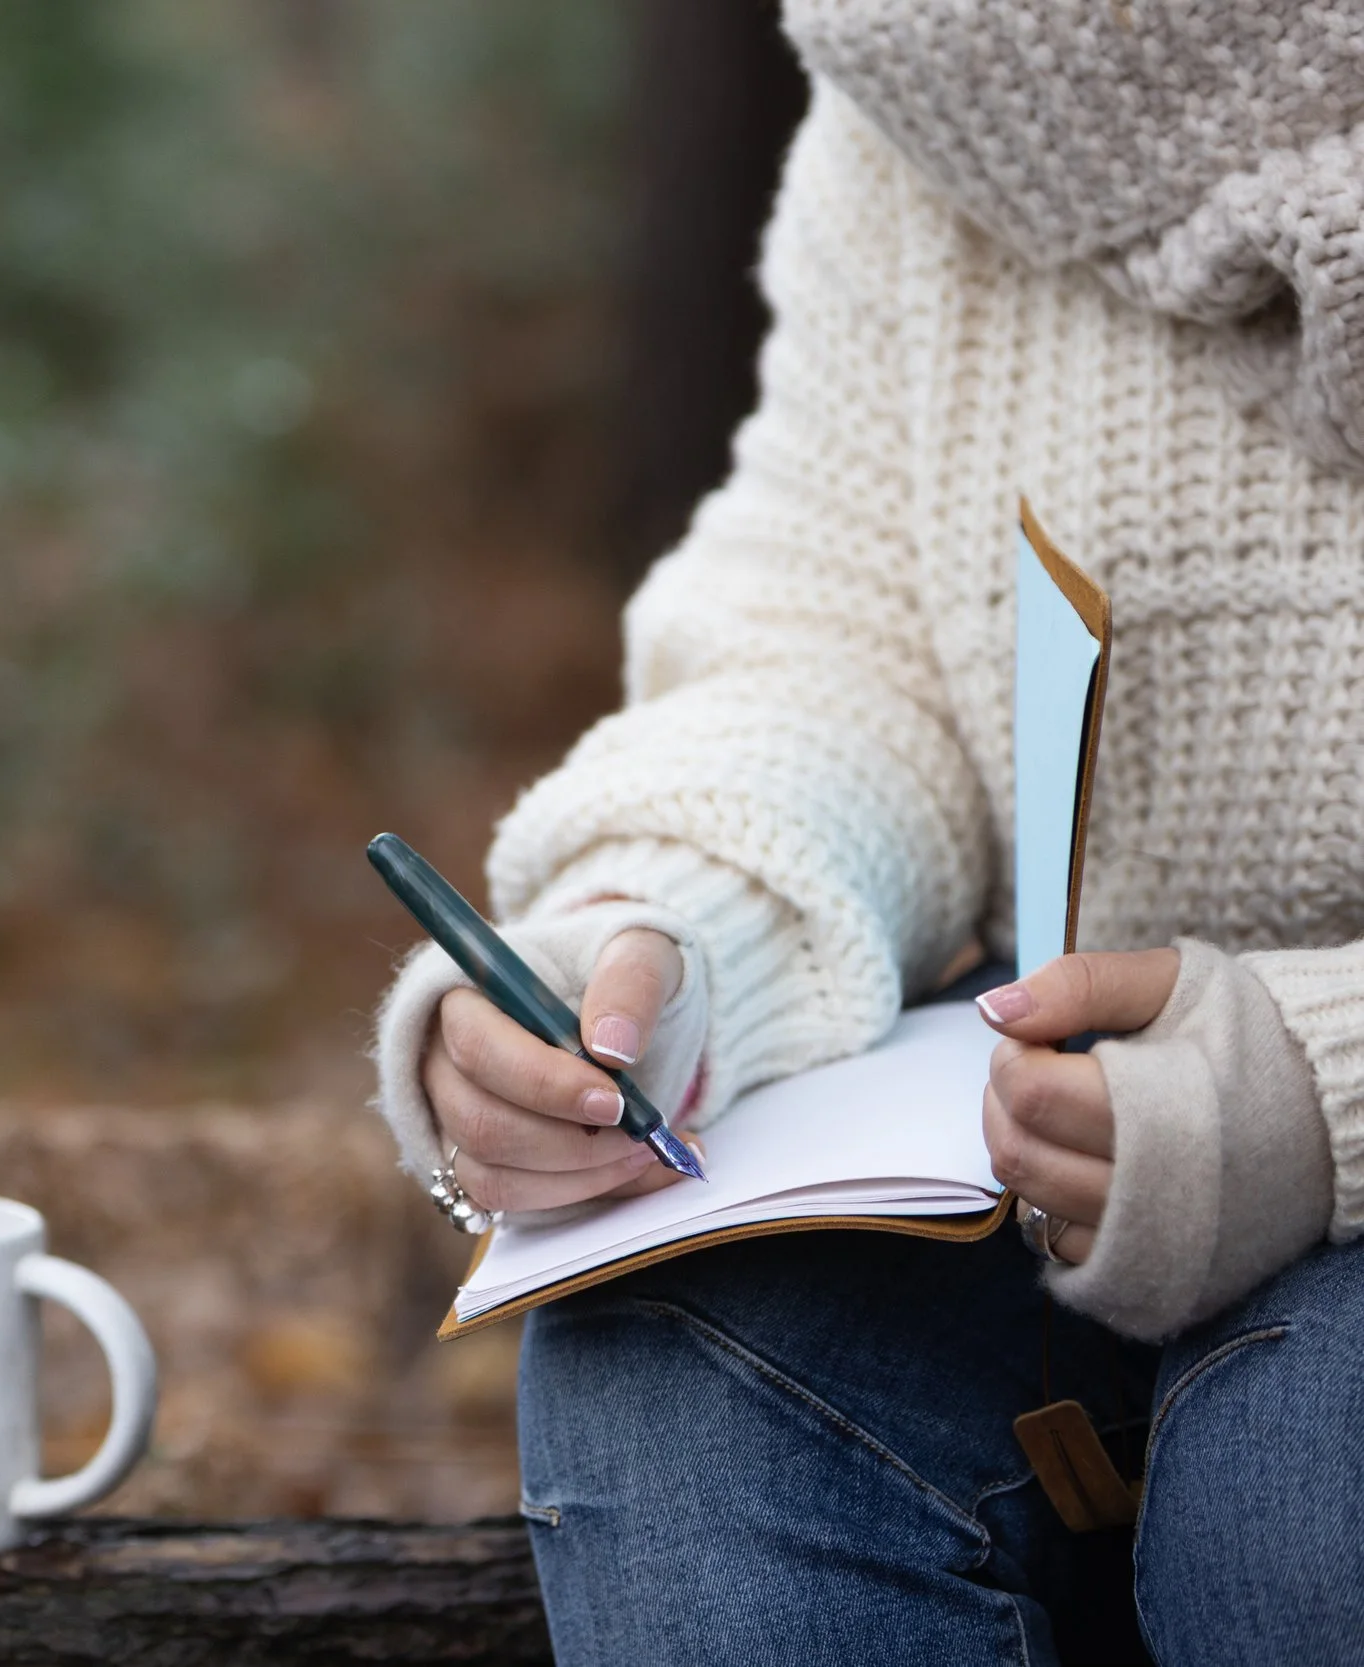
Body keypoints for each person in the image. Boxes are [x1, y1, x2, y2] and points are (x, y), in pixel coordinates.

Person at [370, 5, 1364, 1663]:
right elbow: (846, 643)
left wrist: (1314, 1087)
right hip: (1046, 1153)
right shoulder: (957, 70)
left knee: (1301, 1502)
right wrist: (680, 933)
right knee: (674, 1366)